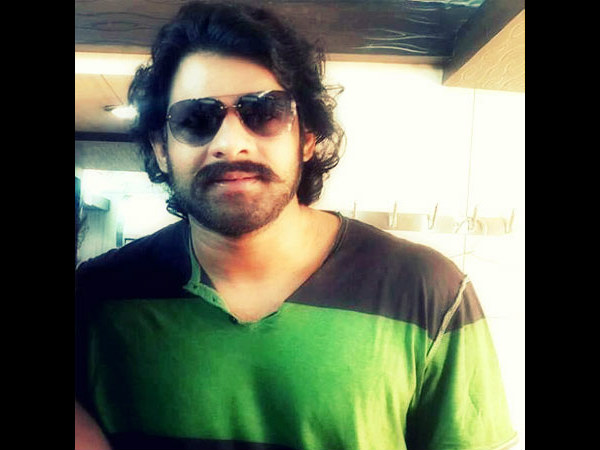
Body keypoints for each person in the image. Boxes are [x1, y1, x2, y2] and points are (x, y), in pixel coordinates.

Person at [75, 2, 517, 449]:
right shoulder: (96, 300)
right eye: (196, 120)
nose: (230, 143)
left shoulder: (428, 291)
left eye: (264, 112)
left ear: (307, 137)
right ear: (161, 148)